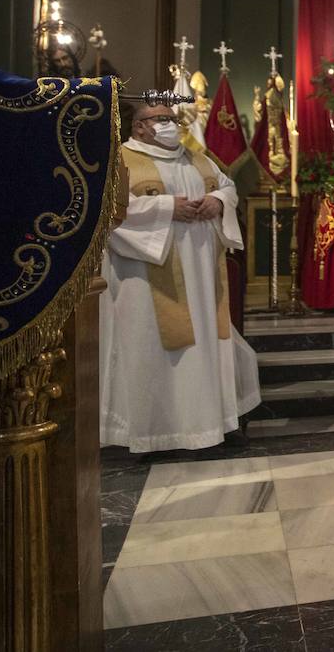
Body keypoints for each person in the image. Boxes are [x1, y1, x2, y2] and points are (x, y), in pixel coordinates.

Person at [99, 104, 261, 453]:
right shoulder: (121, 160)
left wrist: (217, 201)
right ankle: (156, 433)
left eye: (173, 119)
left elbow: (228, 187)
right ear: (139, 126)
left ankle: (215, 424)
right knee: (152, 348)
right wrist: (167, 207)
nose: (171, 125)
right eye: (161, 119)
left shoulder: (197, 159)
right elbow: (111, 210)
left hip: (203, 275)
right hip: (146, 275)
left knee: (208, 344)